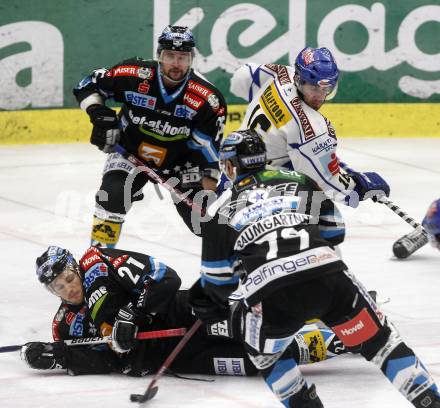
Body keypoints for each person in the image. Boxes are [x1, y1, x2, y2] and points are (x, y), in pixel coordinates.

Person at [189, 129, 440, 407]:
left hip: (274, 298)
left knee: (266, 356)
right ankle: (429, 400)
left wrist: (227, 281)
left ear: (229, 165)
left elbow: (218, 284)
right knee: (382, 342)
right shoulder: (301, 180)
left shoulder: (220, 211)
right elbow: (334, 232)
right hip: (329, 280)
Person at [21, 245, 347, 377]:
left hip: (184, 314)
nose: (69, 289)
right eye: (58, 288)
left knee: (259, 327)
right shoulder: (65, 326)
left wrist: (136, 313)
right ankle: (336, 342)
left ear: (75, 268)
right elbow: (106, 361)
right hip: (177, 359)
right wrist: (59, 357)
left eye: (68, 279)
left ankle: (330, 309)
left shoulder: (98, 263)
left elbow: (165, 277)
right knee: (258, 363)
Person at [73, 25, 226, 247]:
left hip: (181, 163)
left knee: (205, 220)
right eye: (170, 56)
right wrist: (99, 115)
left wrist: (208, 197)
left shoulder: (207, 99)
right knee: (112, 196)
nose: (176, 63)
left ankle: (234, 263)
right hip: (129, 153)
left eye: (183, 57)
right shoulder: (133, 75)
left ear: (192, 59)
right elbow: (86, 86)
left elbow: (208, 155)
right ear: (158, 56)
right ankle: (99, 260)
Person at [228, 47, 390, 207]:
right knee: (323, 210)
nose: (320, 96)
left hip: (230, 169)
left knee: (300, 161)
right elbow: (330, 185)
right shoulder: (312, 127)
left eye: (326, 89)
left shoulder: (281, 74)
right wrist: (359, 186)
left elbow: (243, 75)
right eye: (313, 88)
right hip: (254, 195)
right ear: (299, 80)